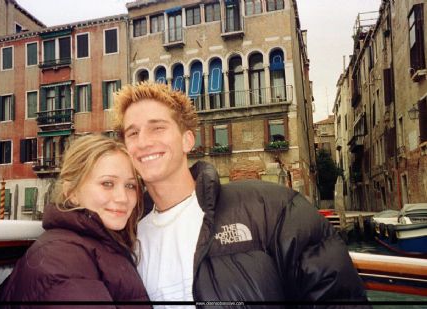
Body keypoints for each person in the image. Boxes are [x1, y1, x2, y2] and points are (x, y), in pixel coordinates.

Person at [113, 82, 369, 306]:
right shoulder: (125, 234)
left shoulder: (274, 209)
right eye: (132, 133)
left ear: (187, 141)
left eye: (157, 128)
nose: (143, 141)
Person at [0, 135, 150, 308]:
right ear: (72, 193)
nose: (123, 198)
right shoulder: (62, 258)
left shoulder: (99, 245)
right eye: (107, 183)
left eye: (130, 186)